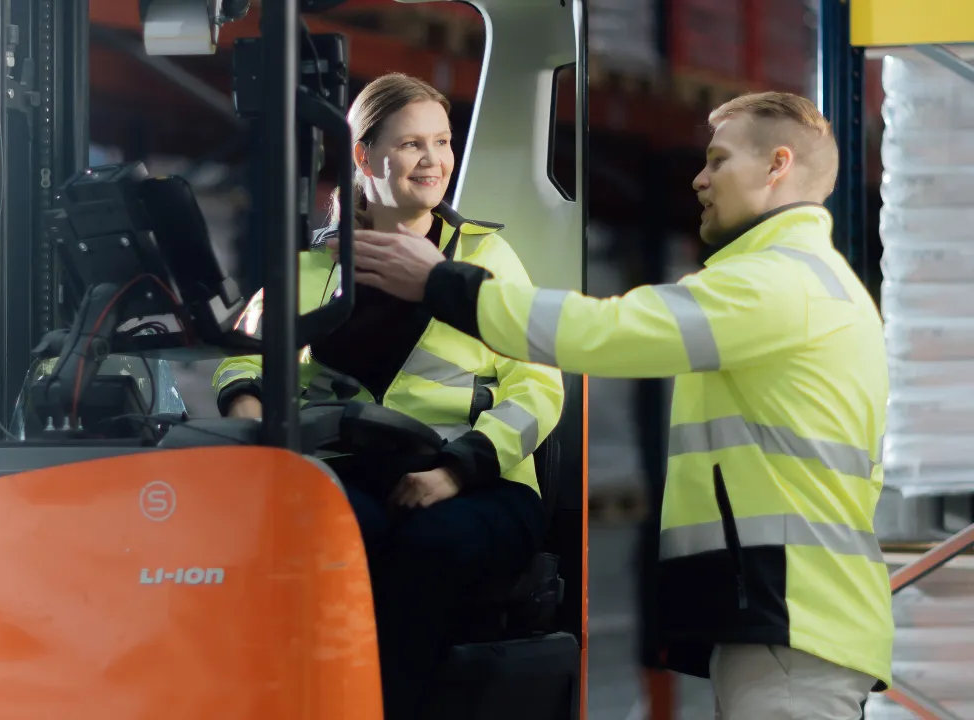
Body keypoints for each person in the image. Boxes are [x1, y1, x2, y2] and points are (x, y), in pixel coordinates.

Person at [339, 91, 894, 720]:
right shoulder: (815, 283)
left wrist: (445, 284)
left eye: (718, 160)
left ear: (777, 166)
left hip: (792, 613)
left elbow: (607, 331)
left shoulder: (777, 284)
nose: (699, 178)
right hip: (796, 612)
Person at [212, 73, 565, 720]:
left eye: (442, 141)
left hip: (478, 482)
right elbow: (244, 357)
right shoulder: (311, 269)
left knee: (431, 545)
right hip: (353, 474)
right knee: (327, 533)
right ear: (363, 155)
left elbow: (538, 384)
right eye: (410, 144)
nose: (433, 160)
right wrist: (254, 425)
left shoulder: (484, 258)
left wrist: (456, 471)